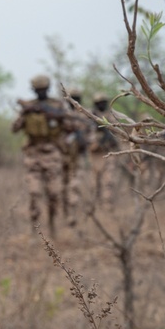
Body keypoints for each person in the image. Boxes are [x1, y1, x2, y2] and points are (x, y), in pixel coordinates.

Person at [11, 75, 72, 235]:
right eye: (38, 90)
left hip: (53, 153)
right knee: (34, 192)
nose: (41, 93)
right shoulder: (28, 106)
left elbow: (70, 126)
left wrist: (55, 117)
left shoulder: (57, 105)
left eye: (43, 90)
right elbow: (15, 128)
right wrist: (25, 113)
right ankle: (34, 229)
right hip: (33, 154)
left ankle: (53, 226)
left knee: (54, 193)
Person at [61, 88, 94, 226]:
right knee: (63, 186)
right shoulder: (61, 114)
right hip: (62, 155)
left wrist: (86, 142)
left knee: (74, 185)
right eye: (72, 98)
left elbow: (91, 133)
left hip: (78, 156)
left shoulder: (85, 114)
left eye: (76, 98)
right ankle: (65, 212)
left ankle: (72, 214)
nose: (74, 101)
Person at [88, 92, 122, 209]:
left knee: (108, 180)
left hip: (109, 152)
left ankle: (107, 205)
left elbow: (117, 133)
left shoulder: (111, 116)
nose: (101, 105)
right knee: (94, 182)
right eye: (99, 103)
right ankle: (94, 205)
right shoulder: (90, 116)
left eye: (103, 103)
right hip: (96, 153)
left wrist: (110, 137)